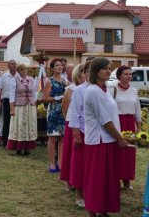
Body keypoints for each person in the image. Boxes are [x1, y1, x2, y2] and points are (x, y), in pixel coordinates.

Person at [83, 57, 128, 217]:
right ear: (96, 71)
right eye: (105, 68)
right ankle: (92, 212)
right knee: (96, 179)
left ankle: (102, 210)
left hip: (108, 139)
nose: (109, 71)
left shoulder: (104, 89)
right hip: (99, 140)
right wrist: (120, 138)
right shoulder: (93, 90)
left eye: (110, 68)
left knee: (106, 179)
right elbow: (105, 121)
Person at [110, 65, 140, 189]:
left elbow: (137, 108)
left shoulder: (133, 91)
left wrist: (138, 126)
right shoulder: (112, 89)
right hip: (117, 122)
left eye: (130, 74)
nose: (129, 76)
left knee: (129, 153)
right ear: (119, 76)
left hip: (129, 122)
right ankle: (115, 180)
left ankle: (127, 181)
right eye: (126, 74)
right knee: (117, 152)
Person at [60, 64, 85, 194]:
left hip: (84, 124)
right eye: (84, 73)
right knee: (70, 154)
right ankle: (68, 180)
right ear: (78, 74)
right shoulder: (71, 88)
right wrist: (68, 121)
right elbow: (64, 107)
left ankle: (79, 180)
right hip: (72, 123)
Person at [6, 64, 37, 155]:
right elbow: (11, 94)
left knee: (29, 125)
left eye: (25, 69)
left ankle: (27, 148)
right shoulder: (14, 80)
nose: (24, 71)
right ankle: (18, 148)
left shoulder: (31, 79)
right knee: (19, 125)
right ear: (18, 71)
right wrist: (12, 108)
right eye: (22, 69)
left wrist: (34, 102)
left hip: (30, 106)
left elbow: (34, 92)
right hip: (19, 106)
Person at [43, 58, 67, 173]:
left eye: (61, 65)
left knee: (62, 138)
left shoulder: (65, 81)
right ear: (52, 68)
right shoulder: (49, 81)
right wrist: (56, 98)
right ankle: (52, 162)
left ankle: (60, 162)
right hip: (53, 111)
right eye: (57, 65)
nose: (59, 67)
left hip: (62, 111)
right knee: (52, 138)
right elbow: (45, 98)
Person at [0, 60, 18, 147]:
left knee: (16, 122)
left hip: (17, 102)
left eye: (15, 64)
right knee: (7, 121)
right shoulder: (4, 76)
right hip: (6, 101)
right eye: (12, 64)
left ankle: (15, 140)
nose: (14, 65)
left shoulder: (19, 76)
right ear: (8, 66)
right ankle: (5, 141)